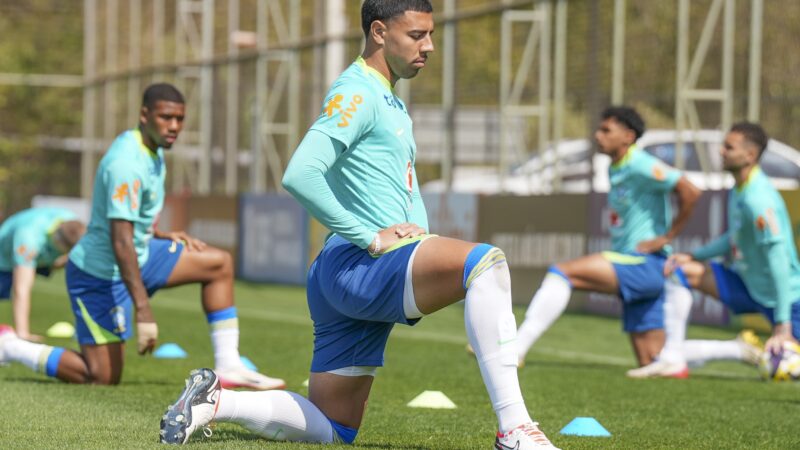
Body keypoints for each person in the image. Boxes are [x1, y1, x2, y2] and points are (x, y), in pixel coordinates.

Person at [159, 2, 559, 449]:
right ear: (380, 32)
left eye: (430, 34)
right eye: (416, 35)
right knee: (486, 263)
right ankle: (515, 429)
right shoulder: (358, 92)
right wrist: (369, 236)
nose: (428, 46)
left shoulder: (387, 95)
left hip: (344, 272)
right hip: (360, 266)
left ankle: (215, 402)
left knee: (334, 428)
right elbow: (301, 174)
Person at [0, 83, 284, 390]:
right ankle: (12, 347)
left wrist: (158, 233)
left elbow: (129, 223)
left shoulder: (151, 148)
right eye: (166, 118)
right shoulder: (126, 163)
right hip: (99, 275)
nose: (174, 126)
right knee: (102, 377)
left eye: (179, 118)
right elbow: (120, 241)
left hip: (140, 254)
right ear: (145, 115)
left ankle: (229, 364)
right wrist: (144, 310)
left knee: (217, 264)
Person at [515, 106, 701, 378]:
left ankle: (516, 348)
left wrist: (666, 237)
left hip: (642, 263)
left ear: (627, 136)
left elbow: (690, 191)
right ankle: (738, 351)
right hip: (636, 266)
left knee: (563, 272)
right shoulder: (617, 166)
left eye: (606, 130)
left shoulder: (640, 163)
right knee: (655, 362)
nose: (597, 135)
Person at [661, 122, 798, 369]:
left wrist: (783, 325)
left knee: (791, 364)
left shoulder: (759, 198)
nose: (721, 151)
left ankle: (744, 349)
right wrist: (693, 255)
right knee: (680, 272)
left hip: (787, 299)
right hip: (747, 286)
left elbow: (779, 262)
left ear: (750, 155)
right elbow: (733, 237)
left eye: (728, 147)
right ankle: (671, 358)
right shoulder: (740, 188)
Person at [0, 207, 85, 341]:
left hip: (44, 255)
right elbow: (21, 289)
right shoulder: (28, 237)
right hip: (5, 260)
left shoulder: (72, 221)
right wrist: (23, 333)